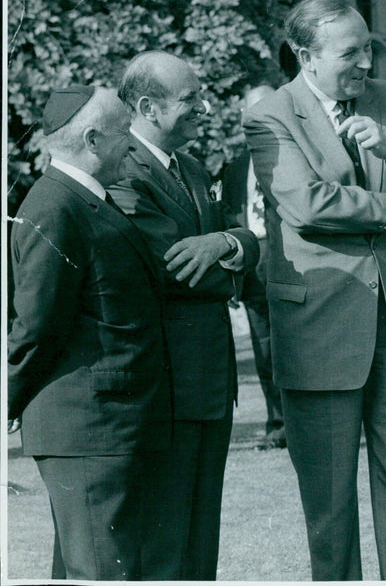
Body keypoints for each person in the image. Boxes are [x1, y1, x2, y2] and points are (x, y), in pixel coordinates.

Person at [243, 0, 386, 581]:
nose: (366, 61)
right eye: (351, 52)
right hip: (318, 333)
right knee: (330, 511)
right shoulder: (269, 115)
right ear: (304, 55)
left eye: (368, 46)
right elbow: (305, 203)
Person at [7, 86, 171, 580]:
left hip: (106, 426)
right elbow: (36, 325)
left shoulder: (81, 198)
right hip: (88, 428)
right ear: (95, 140)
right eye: (125, 133)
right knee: (99, 572)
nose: (134, 144)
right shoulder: (55, 205)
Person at [108, 51, 259, 580]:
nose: (205, 107)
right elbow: (174, 270)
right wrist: (239, 255)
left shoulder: (191, 167)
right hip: (164, 391)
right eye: (191, 98)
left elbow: (241, 238)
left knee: (201, 545)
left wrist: (228, 240)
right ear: (148, 107)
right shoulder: (123, 169)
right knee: (166, 545)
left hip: (208, 386)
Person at [222, 81, 285, 449]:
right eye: (250, 112)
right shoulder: (234, 167)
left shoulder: (293, 158)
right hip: (252, 264)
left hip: (291, 265)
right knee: (263, 350)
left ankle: (305, 424)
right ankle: (277, 423)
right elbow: (230, 219)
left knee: (295, 347)